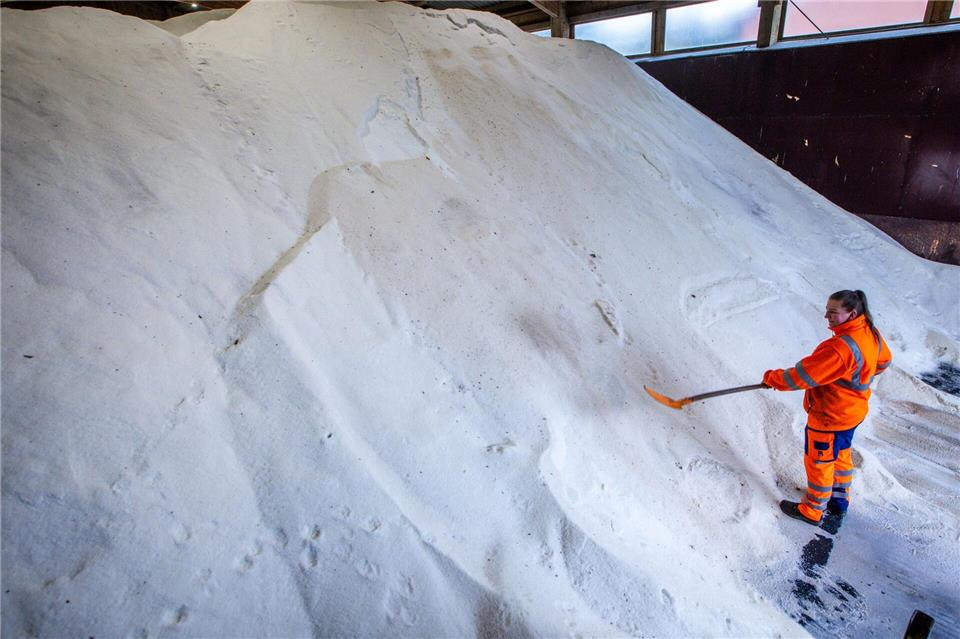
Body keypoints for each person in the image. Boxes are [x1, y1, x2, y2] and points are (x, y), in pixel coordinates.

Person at [762, 290, 892, 528]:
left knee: (819, 462)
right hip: (852, 412)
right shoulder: (869, 333)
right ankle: (839, 502)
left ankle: (812, 510)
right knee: (841, 455)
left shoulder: (840, 349)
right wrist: (855, 378)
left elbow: (801, 377)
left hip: (830, 416)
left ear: (851, 313)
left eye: (833, 312)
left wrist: (772, 379)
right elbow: (884, 360)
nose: (826, 316)